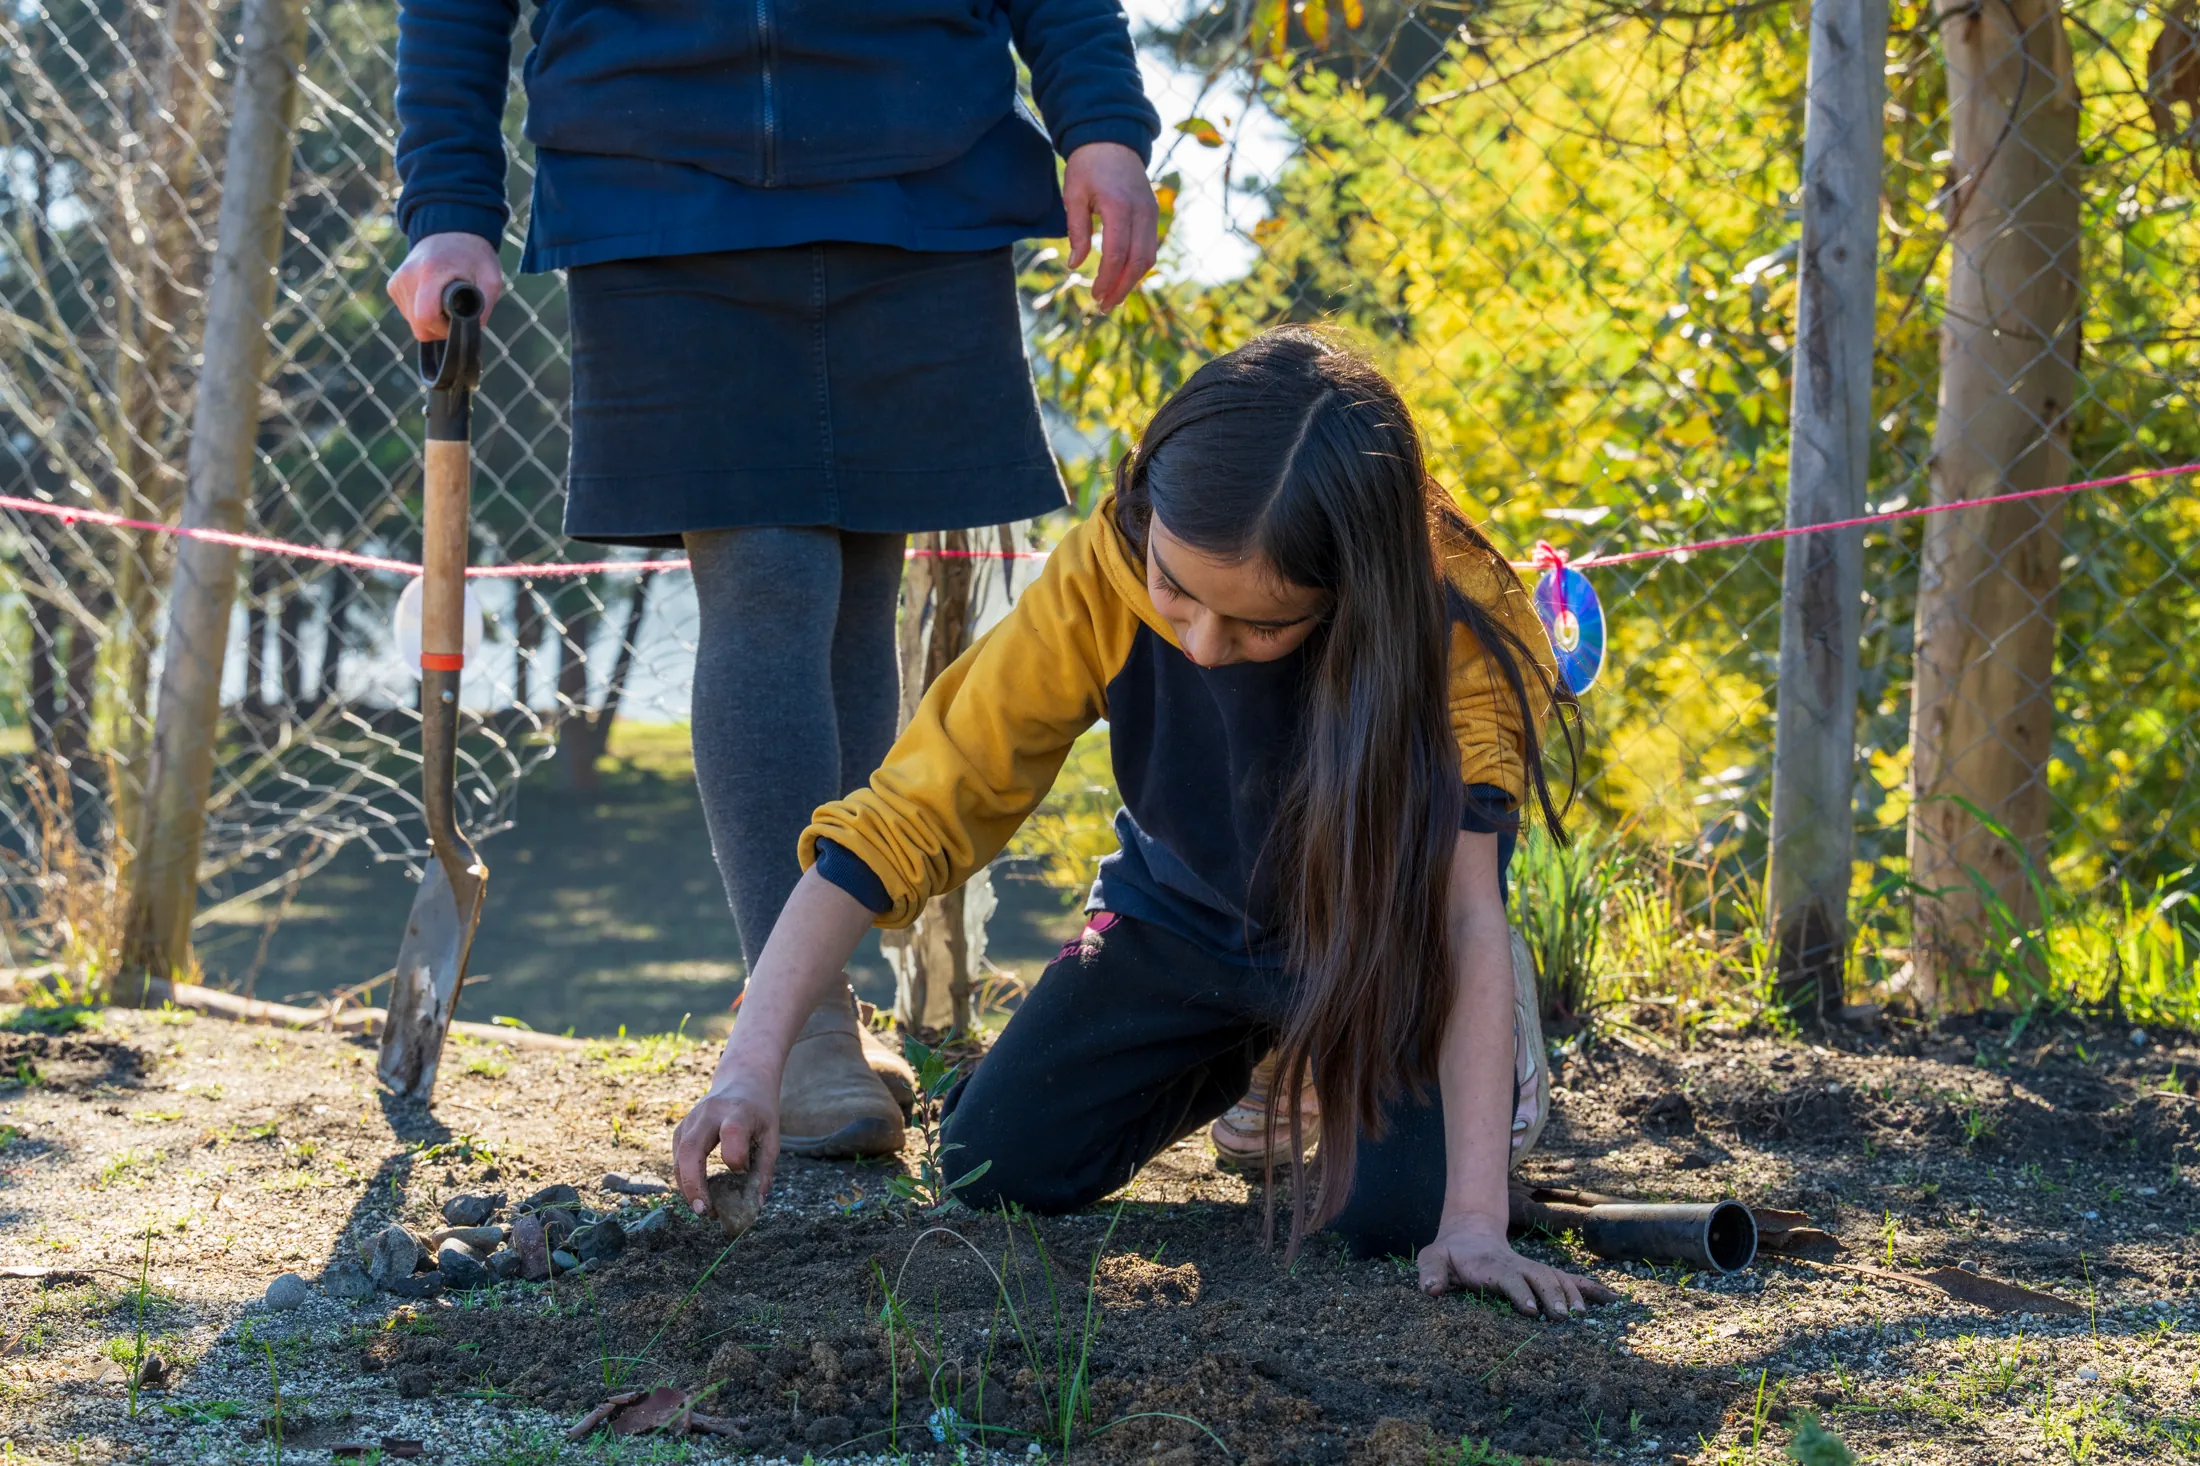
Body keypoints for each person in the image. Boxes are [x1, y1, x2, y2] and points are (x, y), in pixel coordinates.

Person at [672, 329, 1619, 1317]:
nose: (1202, 645)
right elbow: (911, 809)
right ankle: (1262, 1059)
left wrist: (1473, 1219)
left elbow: (1463, 914)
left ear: (1352, 590)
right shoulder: (1104, 573)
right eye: (1177, 591)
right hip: (1182, 915)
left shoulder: (1459, 626)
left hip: (1378, 945)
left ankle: (1408, 1052)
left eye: (1259, 624)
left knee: (1391, 1224)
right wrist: (748, 1070)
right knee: (995, 1161)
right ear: (1145, 509)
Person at [384, 0, 1162, 1158]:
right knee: (771, 577)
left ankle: (814, 998)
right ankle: (793, 1028)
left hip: (918, 168)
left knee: (856, 586)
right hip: (661, 181)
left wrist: (1099, 118)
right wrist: (449, 205)